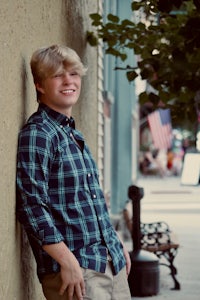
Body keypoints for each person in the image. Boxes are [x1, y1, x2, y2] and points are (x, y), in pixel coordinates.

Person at [16, 45, 131, 300]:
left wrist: (114, 242)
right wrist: (66, 260)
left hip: (109, 264)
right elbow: (31, 205)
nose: (68, 80)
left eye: (74, 74)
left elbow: (90, 200)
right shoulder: (39, 133)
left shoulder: (72, 134)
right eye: (57, 75)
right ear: (40, 85)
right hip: (77, 272)